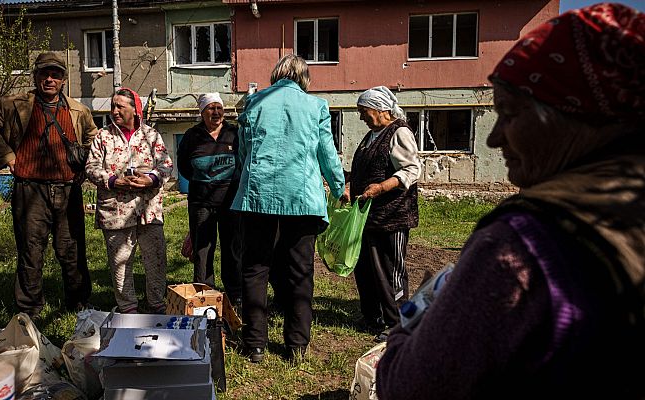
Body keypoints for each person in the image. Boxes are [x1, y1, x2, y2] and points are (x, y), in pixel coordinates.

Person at [377, 3, 645, 399]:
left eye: (510, 113)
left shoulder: (525, 244)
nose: (494, 138)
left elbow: (411, 386)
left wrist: (419, 316)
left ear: (569, 114)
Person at [232, 54, 345, 363]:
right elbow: (327, 151)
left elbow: (243, 153)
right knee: (300, 272)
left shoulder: (254, 103)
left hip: (258, 198)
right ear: (304, 79)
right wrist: (339, 187)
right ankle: (296, 345)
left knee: (255, 269)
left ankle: (254, 344)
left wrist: (245, 181)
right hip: (302, 199)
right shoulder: (316, 106)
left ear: (276, 74)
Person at [0, 52, 97, 319]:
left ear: (64, 80)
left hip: (68, 189)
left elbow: (94, 141)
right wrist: (7, 156)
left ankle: (78, 306)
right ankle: (29, 310)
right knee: (31, 250)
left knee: (72, 250)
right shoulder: (15, 104)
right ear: (36, 76)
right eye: (45, 73)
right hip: (30, 189)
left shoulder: (79, 110)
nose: (50, 79)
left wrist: (85, 167)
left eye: (55, 75)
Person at [342, 86, 421, 342]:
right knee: (366, 268)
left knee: (391, 269)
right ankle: (373, 316)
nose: (361, 116)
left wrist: (381, 188)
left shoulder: (399, 132)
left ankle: (397, 322)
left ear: (380, 109)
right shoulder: (371, 136)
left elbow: (410, 170)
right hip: (369, 216)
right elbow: (365, 170)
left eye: (364, 111)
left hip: (392, 215)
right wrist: (347, 184)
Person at [85, 88, 173, 314]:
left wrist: (150, 179)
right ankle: (128, 308)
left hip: (148, 209)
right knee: (120, 262)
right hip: (116, 211)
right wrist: (113, 181)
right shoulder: (103, 136)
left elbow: (166, 165)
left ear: (134, 110)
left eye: (120, 106)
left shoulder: (151, 135)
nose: (114, 111)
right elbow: (91, 168)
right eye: (113, 106)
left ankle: (156, 304)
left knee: (156, 260)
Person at [177, 93, 242, 307]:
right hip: (201, 202)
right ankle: (205, 291)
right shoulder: (192, 136)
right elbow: (184, 166)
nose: (215, 112)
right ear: (202, 112)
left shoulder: (234, 133)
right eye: (210, 108)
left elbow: (242, 162)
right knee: (203, 249)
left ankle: (234, 292)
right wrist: (203, 181)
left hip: (230, 202)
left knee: (232, 248)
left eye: (219, 108)